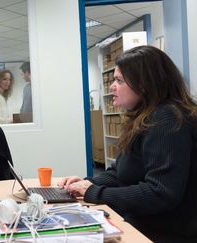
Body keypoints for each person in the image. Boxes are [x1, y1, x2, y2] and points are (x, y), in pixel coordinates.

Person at [59, 45, 197, 242]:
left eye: (119, 80)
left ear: (144, 84)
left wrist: (95, 193)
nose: (112, 86)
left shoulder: (166, 119)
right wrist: (87, 183)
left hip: (165, 233)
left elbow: (160, 193)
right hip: (145, 224)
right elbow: (121, 172)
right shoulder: (146, 117)